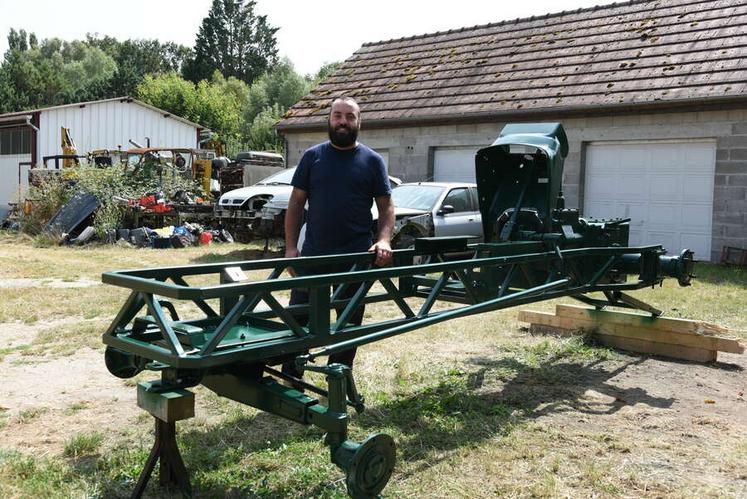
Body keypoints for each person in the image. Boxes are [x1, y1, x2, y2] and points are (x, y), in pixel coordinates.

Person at [281, 96, 395, 380]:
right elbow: (295, 205)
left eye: (349, 116)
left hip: (355, 258)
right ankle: (292, 378)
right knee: (298, 319)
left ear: (359, 122)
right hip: (314, 256)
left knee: (347, 325)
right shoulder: (312, 157)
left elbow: (386, 206)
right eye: (337, 115)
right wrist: (291, 248)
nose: (343, 121)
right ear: (329, 120)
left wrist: (384, 239)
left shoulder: (372, 161)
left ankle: (338, 380)